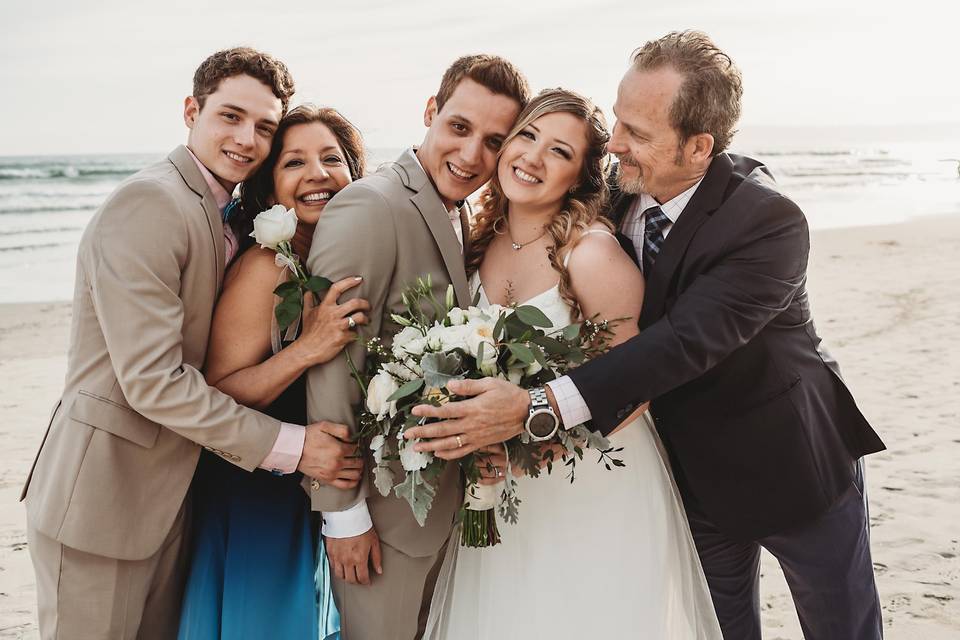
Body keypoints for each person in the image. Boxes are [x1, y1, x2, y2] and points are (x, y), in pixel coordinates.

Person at [407, 31, 886, 640]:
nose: (614, 143)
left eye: (637, 132)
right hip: (688, 476)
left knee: (842, 627)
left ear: (698, 147)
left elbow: (681, 343)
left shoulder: (768, 222)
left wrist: (535, 410)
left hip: (790, 466)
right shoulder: (612, 187)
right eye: (618, 120)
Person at [20, 49, 361, 640]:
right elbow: (153, 382)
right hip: (107, 498)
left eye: (263, 127)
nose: (246, 139)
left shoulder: (223, 210)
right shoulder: (151, 203)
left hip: (176, 498)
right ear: (191, 111)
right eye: (230, 117)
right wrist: (293, 447)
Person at [425, 88, 723, 639]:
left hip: (590, 486)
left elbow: (636, 386)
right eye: (527, 136)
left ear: (582, 176)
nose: (533, 158)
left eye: (560, 152)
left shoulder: (591, 254)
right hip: (502, 489)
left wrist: (531, 454)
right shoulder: (473, 241)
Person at [303, 55, 529, 639]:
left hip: (437, 505)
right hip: (382, 517)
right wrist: (342, 514)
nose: (473, 155)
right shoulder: (370, 205)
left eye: (493, 141)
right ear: (431, 112)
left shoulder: (459, 214)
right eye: (459, 127)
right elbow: (331, 362)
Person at [177, 105, 369, 639]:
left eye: (332, 158)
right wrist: (307, 348)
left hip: (315, 487)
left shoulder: (343, 259)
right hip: (255, 495)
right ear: (270, 187)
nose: (317, 174)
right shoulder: (267, 267)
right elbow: (218, 392)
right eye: (294, 163)